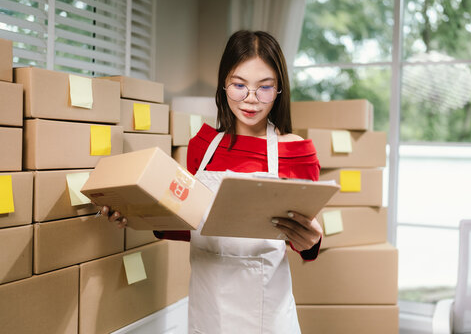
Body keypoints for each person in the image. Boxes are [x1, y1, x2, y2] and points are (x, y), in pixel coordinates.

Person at [101, 30, 322, 333]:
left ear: (279, 89)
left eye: (265, 88)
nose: (251, 99)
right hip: (208, 308)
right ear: (223, 84)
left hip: (265, 312)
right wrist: (136, 211)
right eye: (239, 85)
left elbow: (306, 243)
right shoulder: (201, 146)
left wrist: (312, 242)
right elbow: (190, 221)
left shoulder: (295, 152)